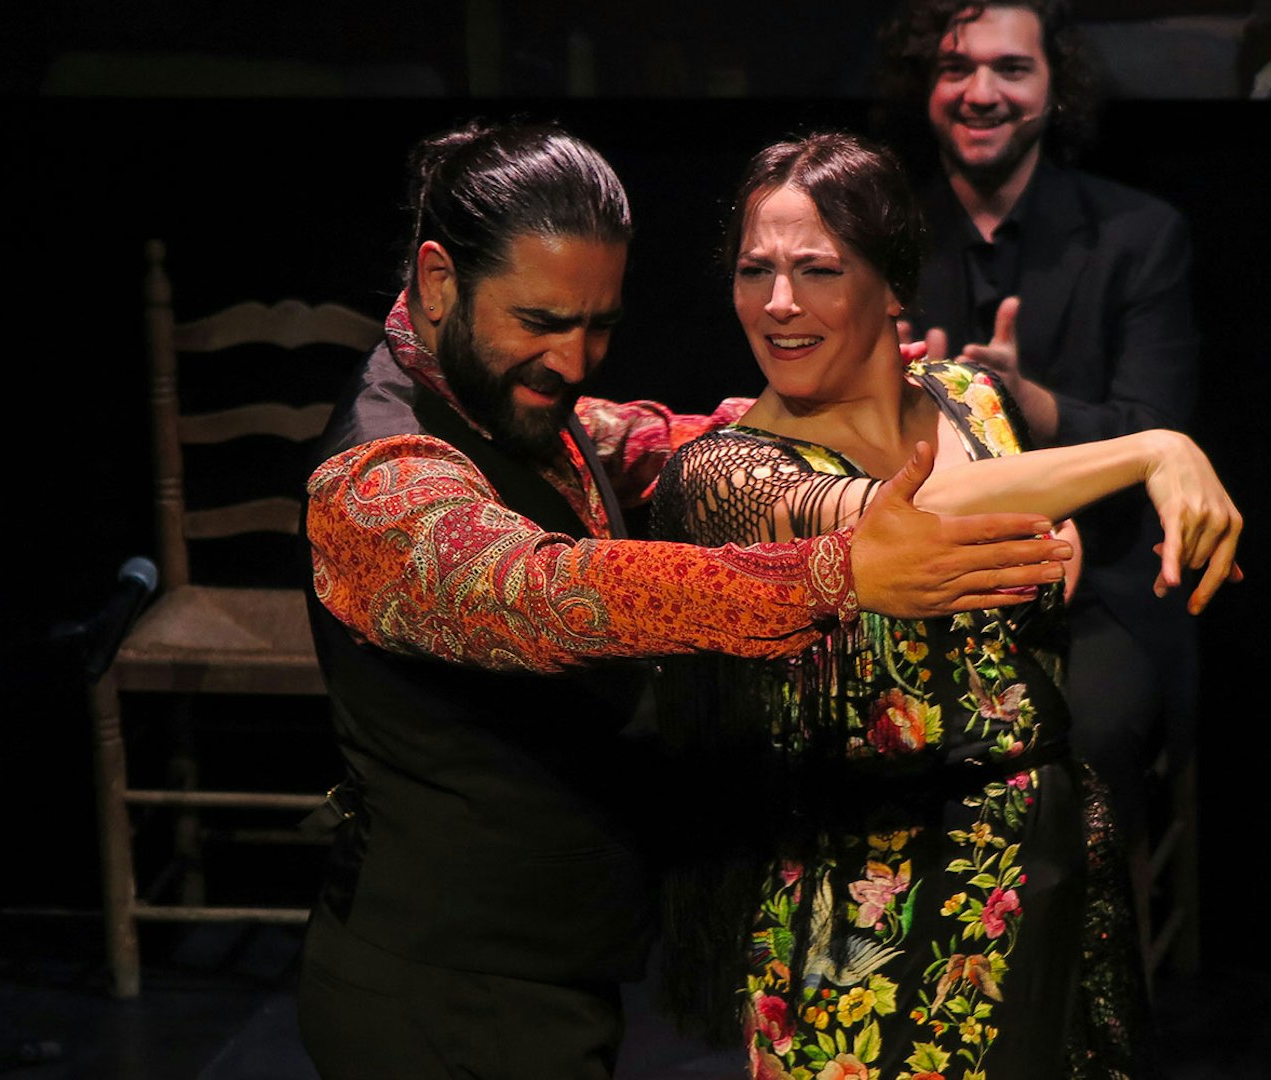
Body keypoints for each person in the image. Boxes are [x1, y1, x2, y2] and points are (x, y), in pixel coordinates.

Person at [293, 118, 1081, 1080]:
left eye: (600, 326)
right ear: (439, 281)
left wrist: (946, 450)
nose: (575, 361)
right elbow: (544, 591)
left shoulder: (525, 403)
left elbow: (698, 444)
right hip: (435, 1000)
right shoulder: (377, 484)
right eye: (542, 323)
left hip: (556, 977)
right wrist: (836, 572)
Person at [648, 132, 1241, 1079]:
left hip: (1047, 871)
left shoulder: (970, 401)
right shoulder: (726, 473)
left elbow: (997, 505)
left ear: (894, 290)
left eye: (818, 270)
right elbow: (903, 522)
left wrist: (1055, 531)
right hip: (872, 915)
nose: (778, 303)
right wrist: (1154, 448)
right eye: (754, 269)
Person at [876, 0, 1214, 929]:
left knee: (1078, 741)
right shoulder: (879, 234)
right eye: (956, 68)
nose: (981, 92)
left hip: (1104, 583)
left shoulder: (1138, 235)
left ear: (1053, 87)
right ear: (927, 87)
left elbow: (1157, 429)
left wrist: (1027, 406)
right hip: (932, 576)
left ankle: (1066, 996)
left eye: (1011, 69)